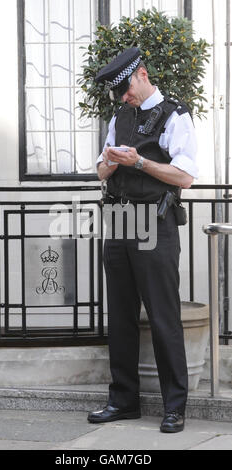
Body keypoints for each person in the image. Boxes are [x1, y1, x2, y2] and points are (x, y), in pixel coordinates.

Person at [87, 47, 198, 433]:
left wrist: (140, 162)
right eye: (117, 93)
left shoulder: (175, 115)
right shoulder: (120, 116)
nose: (123, 97)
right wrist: (113, 162)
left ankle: (175, 407)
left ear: (143, 75)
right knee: (119, 316)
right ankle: (123, 400)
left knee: (163, 317)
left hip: (155, 222)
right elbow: (101, 171)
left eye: (126, 89)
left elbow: (184, 177)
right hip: (119, 221)